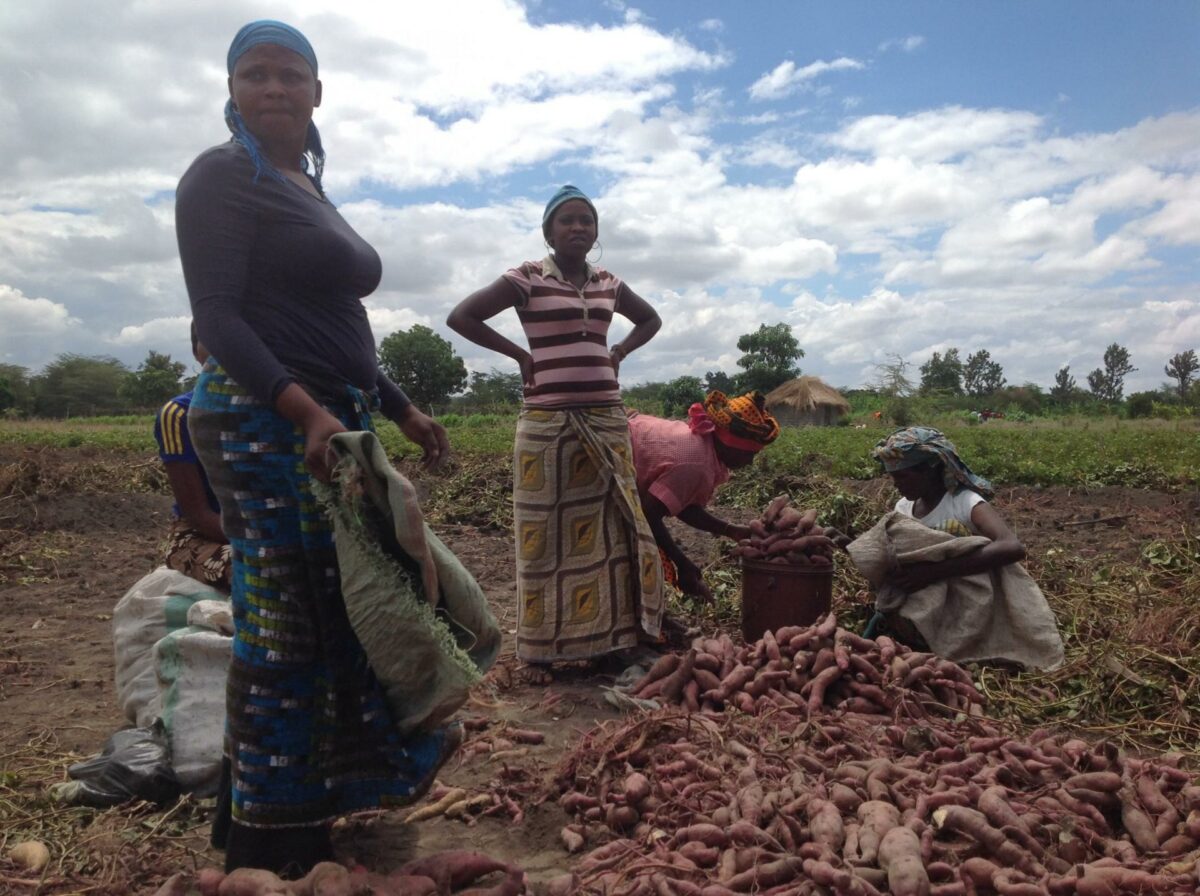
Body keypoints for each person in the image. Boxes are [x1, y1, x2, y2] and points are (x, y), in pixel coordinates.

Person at [175, 20, 455, 877]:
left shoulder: (302, 185)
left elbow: (341, 322)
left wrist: (400, 409)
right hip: (266, 419)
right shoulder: (220, 177)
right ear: (232, 91)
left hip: (332, 415)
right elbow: (218, 317)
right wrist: (303, 412)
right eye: (254, 74)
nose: (273, 88)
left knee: (340, 610)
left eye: (290, 75)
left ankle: (308, 808)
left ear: (317, 92)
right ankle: (270, 834)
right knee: (286, 620)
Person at [447, 185, 663, 665]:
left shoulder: (610, 282)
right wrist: (520, 354)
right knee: (544, 535)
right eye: (567, 220)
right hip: (547, 426)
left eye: (586, 220)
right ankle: (544, 648)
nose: (578, 228)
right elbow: (461, 316)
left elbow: (650, 320)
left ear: (596, 231)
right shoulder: (525, 278)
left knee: (615, 529)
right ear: (549, 231)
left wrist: (620, 351)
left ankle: (616, 641)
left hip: (607, 419)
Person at [628, 390, 780, 603]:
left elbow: (682, 502)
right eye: (749, 454)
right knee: (628, 556)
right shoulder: (695, 465)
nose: (749, 463)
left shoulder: (706, 441)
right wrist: (682, 563)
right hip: (602, 468)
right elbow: (648, 515)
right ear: (731, 445)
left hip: (627, 442)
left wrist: (730, 530)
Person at [154, 323, 231, 592]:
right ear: (196, 352)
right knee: (254, 572)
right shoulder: (177, 414)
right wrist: (258, 544)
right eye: (209, 339)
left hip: (267, 530)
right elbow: (197, 513)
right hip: (198, 535)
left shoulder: (279, 407)